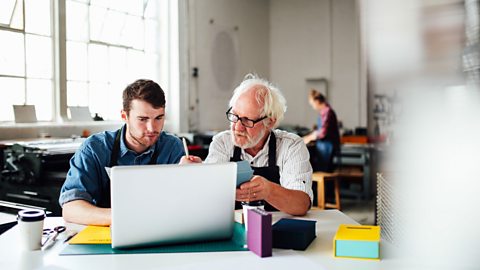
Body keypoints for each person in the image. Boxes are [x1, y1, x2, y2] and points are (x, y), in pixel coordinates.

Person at [59, 79, 185, 226]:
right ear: (124, 116)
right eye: (143, 119)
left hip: (160, 230)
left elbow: (183, 206)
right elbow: (71, 209)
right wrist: (123, 218)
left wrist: (190, 178)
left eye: (158, 118)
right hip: (108, 235)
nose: (152, 128)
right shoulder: (94, 148)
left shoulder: (173, 147)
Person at [183, 74, 313, 216]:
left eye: (247, 120)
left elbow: (301, 204)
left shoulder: (291, 146)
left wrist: (269, 191)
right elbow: (208, 199)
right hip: (232, 227)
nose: (237, 128)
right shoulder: (222, 143)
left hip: (277, 228)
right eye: (234, 116)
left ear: (270, 122)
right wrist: (196, 176)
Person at [303, 89, 340, 172]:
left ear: (317, 101)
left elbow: (323, 132)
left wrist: (310, 137)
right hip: (324, 146)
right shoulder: (324, 111)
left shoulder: (327, 112)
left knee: (323, 172)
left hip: (326, 147)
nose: (313, 107)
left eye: (312, 104)